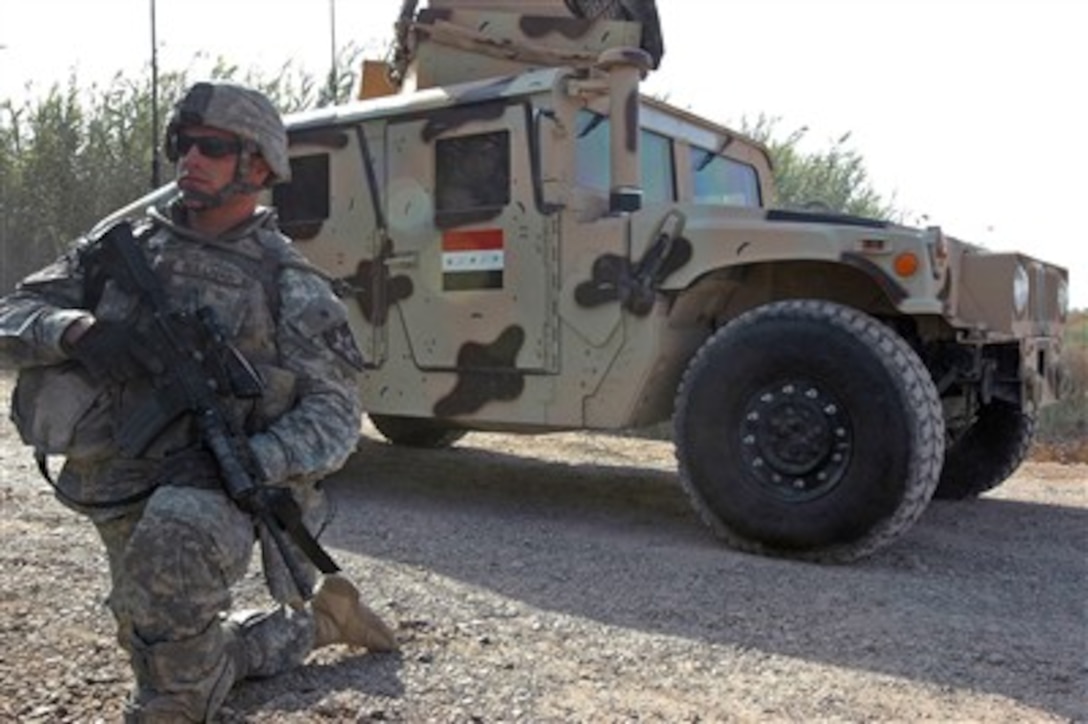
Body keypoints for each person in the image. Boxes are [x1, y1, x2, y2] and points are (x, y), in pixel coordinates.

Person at [0, 80, 396, 722]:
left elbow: (334, 419)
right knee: (155, 638)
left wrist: (250, 459)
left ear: (260, 166)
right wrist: (74, 330)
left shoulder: (288, 283)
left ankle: (175, 704)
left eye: (212, 147)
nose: (190, 159)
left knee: (171, 650)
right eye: (183, 143)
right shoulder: (119, 247)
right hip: (121, 470)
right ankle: (320, 623)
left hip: (220, 483)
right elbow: (12, 311)